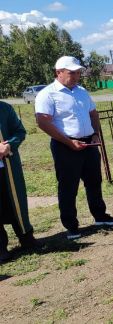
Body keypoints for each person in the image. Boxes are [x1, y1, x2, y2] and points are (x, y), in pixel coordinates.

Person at [35, 56, 113, 239]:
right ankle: (71, 226)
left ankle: (100, 216)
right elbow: (42, 122)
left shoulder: (81, 91)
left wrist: (95, 133)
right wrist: (68, 142)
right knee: (68, 187)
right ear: (59, 72)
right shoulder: (48, 94)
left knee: (94, 181)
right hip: (65, 146)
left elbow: (93, 113)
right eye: (72, 73)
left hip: (88, 142)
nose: (76, 76)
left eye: (78, 72)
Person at [0, 101, 37, 262]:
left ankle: (26, 238)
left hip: (7, 166)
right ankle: (1, 249)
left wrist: (9, 144)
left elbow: (19, 131)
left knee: (15, 201)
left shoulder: (4, 108)